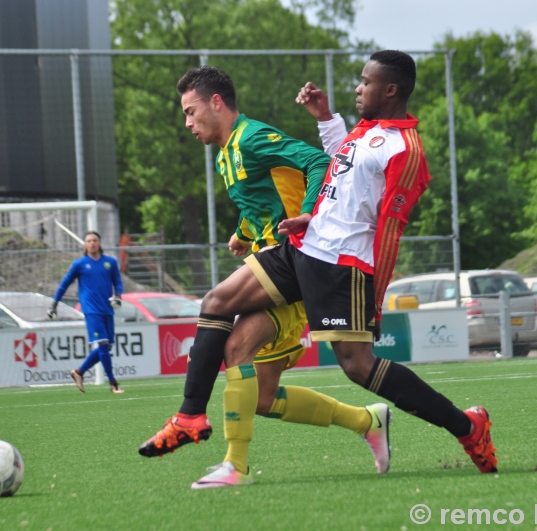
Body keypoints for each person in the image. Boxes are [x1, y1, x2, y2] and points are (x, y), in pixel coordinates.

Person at [139, 51, 497, 487]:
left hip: (340, 263)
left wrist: (374, 298)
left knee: (357, 365)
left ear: (390, 90)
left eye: (365, 82)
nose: (357, 88)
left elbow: (388, 230)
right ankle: (190, 417)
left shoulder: (407, 149)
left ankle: (467, 426)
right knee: (217, 302)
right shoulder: (363, 132)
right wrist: (326, 124)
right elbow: (337, 169)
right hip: (303, 243)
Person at [139, 66, 392, 488]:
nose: (187, 122)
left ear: (216, 102)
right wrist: (242, 234)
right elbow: (261, 200)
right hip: (269, 264)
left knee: (226, 327)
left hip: (293, 267)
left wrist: (306, 216)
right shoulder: (225, 153)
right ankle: (366, 421)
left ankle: (220, 451)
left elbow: (316, 161)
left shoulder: (252, 137)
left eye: (190, 111)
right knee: (262, 395)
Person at [48, 231, 125, 393]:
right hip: (91, 310)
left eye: (95, 240)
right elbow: (64, 284)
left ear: (100, 243)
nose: (92, 243)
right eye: (89, 240)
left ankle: (79, 372)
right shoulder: (79, 264)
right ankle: (113, 383)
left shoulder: (110, 262)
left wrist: (118, 295)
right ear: (85, 244)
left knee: (108, 347)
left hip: (108, 309)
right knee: (103, 345)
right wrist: (54, 303)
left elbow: (118, 281)